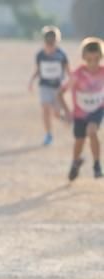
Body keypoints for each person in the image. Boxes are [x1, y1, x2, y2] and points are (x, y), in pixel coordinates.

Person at [61, 38, 104, 181]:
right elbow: (60, 93)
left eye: (96, 59)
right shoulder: (77, 75)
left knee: (92, 131)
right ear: (84, 57)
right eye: (89, 59)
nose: (93, 63)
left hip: (96, 110)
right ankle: (75, 163)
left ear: (101, 57)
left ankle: (97, 164)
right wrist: (67, 112)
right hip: (80, 113)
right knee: (79, 141)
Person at [28, 26, 71, 146]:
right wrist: (31, 81)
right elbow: (38, 70)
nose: (50, 44)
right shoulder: (40, 55)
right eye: (48, 41)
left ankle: (64, 119)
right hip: (44, 86)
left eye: (52, 41)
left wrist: (71, 84)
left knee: (56, 113)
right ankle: (48, 134)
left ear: (57, 41)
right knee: (45, 109)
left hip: (58, 88)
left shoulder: (61, 55)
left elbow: (68, 71)